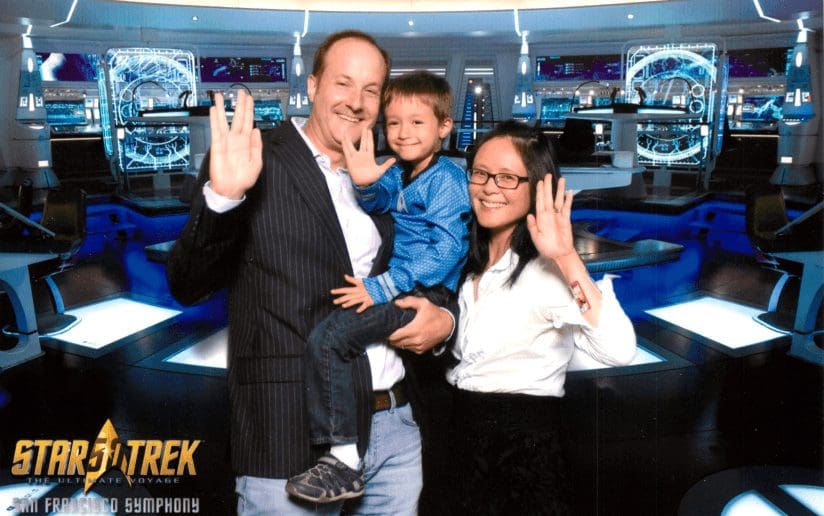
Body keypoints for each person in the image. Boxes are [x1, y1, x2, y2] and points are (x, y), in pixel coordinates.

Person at [166, 30, 455, 515]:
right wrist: (223, 199)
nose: (357, 103)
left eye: (371, 90)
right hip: (289, 433)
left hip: (395, 427)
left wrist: (444, 322)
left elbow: (431, 262)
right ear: (315, 83)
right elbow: (188, 283)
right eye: (344, 83)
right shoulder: (258, 157)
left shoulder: (391, 173)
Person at [286, 71, 470, 503]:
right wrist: (366, 182)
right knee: (332, 337)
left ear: (444, 127)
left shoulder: (447, 180)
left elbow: (447, 251)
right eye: (393, 123)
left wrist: (382, 285)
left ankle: (344, 460)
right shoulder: (400, 171)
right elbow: (378, 201)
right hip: (401, 288)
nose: (402, 133)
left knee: (331, 339)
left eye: (417, 122)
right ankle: (346, 453)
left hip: (424, 294)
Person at [435, 121, 637, 514]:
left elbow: (619, 350)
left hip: (521, 456)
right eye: (480, 173)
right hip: (460, 440)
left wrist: (565, 255)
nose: (490, 187)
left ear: (537, 188)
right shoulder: (465, 263)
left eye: (508, 178)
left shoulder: (545, 272)